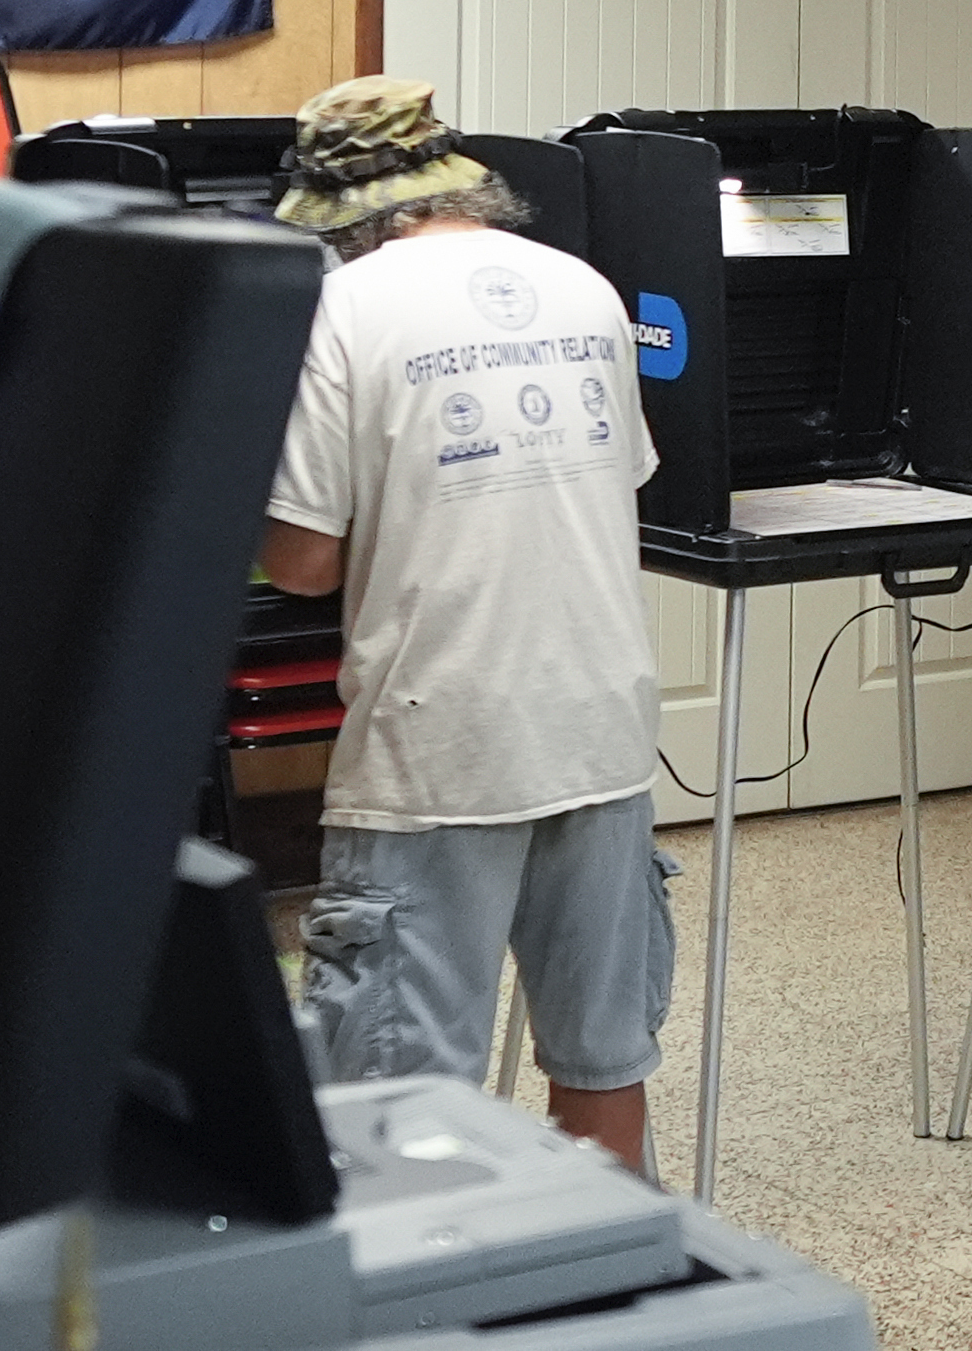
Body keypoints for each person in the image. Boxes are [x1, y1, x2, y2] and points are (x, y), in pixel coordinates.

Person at [259, 76, 674, 1172]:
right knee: (600, 1064)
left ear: (350, 218)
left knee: (401, 1104)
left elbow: (301, 562)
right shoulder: (583, 287)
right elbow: (610, 481)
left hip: (437, 746)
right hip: (603, 727)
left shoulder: (344, 309)